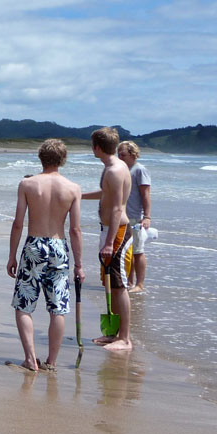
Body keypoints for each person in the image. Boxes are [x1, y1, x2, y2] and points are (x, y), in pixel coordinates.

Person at [6, 139, 84, 373]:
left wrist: (12, 255)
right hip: (59, 247)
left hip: (34, 246)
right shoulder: (73, 188)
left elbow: (18, 223)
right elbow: (75, 230)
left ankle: (30, 359)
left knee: (24, 305)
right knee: (57, 308)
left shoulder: (27, 184)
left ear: (40, 158)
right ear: (63, 160)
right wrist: (79, 264)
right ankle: (52, 361)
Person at [82, 127, 133, 351]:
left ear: (97, 147)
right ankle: (113, 334)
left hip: (118, 231)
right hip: (109, 230)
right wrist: (79, 195)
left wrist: (110, 242)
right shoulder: (111, 168)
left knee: (119, 285)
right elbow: (106, 194)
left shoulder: (114, 170)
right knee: (110, 284)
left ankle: (125, 338)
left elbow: (115, 209)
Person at [117, 141, 152, 293]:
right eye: (118, 154)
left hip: (135, 218)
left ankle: (140, 284)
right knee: (126, 252)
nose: (120, 157)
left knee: (138, 251)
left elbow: (146, 195)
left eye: (123, 155)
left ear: (132, 154)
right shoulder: (121, 170)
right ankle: (129, 281)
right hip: (123, 217)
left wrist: (147, 216)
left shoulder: (139, 170)